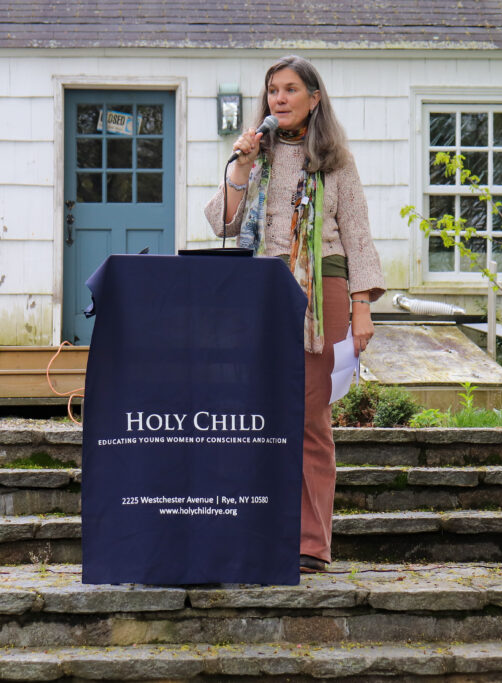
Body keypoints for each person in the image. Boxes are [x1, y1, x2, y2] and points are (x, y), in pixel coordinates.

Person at [204, 55, 385, 574]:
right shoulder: (254, 156)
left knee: (308, 415)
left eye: (289, 89)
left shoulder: (335, 160)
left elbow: (357, 236)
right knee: (255, 412)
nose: (278, 98)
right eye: (272, 90)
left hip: (320, 291)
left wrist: (361, 307)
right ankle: (257, 531)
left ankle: (310, 544)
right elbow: (222, 223)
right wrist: (241, 166)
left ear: (314, 97)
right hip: (259, 289)